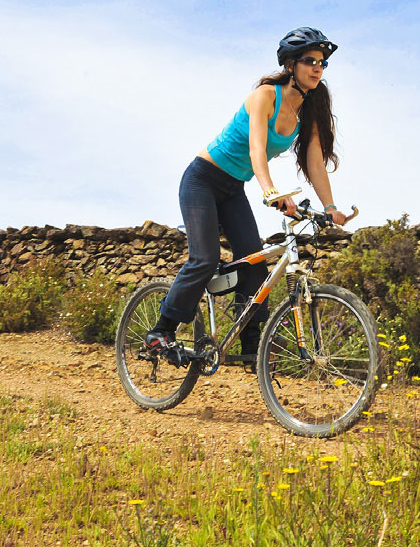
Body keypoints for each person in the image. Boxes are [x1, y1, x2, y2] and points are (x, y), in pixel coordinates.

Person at [145, 27, 350, 360]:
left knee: (254, 263)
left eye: (322, 63)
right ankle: (160, 331)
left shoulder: (308, 108)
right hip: (203, 179)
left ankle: (252, 347)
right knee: (205, 259)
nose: (318, 68)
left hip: (232, 188)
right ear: (290, 64)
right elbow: (257, 148)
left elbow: (315, 160)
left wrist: (331, 206)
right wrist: (270, 190)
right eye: (310, 61)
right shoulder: (266, 95)